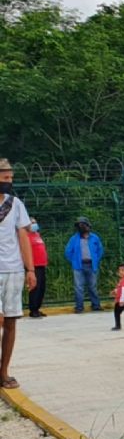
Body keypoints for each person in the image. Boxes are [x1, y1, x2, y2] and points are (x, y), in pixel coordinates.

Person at [0, 159, 37, 390]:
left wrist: (30, 269)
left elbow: (23, 237)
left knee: (11, 320)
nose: (9, 182)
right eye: (5, 178)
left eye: (11, 178)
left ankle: (4, 371)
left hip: (13, 269)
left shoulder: (16, 205)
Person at [65, 217, 104, 313]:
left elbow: (100, 250)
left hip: (92, 265)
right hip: (79, 266)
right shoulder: (74, 239)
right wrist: (74, 261)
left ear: (88, 226)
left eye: (83, 225)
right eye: (79, 225)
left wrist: (96, 259)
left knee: (93, 286)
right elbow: (68, 252)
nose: (82, 227)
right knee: (79, 287)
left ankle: (96, 305)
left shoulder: (94, 237)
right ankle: (79, 307)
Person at [27, 218, 47, 319]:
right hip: (34, 266)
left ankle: (37, 308)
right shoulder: (26, 237)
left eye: (35, 222)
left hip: (42, 264)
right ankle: (33, 309)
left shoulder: (37, 235)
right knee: (35, 287)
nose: (35, 224)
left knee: (42, 287)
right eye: (32, 223)